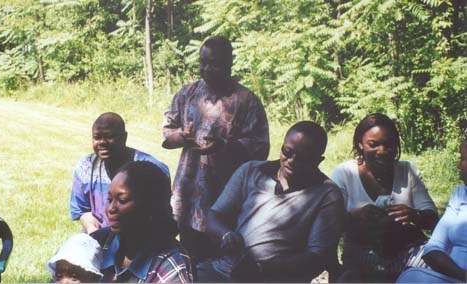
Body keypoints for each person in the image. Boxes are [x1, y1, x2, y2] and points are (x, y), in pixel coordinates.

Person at [162, 35, 270, 262]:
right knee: (189, 255)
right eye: (203, 63)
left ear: (229, 64)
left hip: (226, 192)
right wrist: (182, 136)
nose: (207, 69)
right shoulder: (188, 94)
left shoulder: (246, 100)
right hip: (189, 192)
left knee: (223, 258)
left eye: (215, 64)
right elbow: (167, 134)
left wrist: (225, 146)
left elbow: (261, 147)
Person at [197, 121, 345, 282]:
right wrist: (226, 235)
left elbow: (317, 257)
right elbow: (214, 215)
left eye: (302, 158)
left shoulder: (327, 194)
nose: (291, 160)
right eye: (287, 152)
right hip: (224, 269)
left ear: (318, 160)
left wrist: (263, 269)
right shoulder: (251, 171)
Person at [330, 113, 439, 282]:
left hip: (408, 252)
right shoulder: (345, 173)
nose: (381, 151)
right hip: (362, 253)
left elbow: (432, 219)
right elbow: (329, 223)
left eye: (388, 145)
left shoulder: (407, 171)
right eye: (373, 145)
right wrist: (354, 216)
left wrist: (413, 215)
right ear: (360, 144)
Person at [90, 161, 193, 283]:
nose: (111, 209)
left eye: (122, 200)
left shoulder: (171, 266)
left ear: (150, 205)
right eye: (109, 199)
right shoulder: (98, 242)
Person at [71, 112, 169, 234]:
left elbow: (161, 214)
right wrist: (92, 228)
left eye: (109, 136)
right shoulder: (86, 166)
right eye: (97, 137)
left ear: (124, 137)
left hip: (141, 238)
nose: (102, 142)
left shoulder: (149, 169)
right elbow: (82, 209)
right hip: (98, 238)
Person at [396, 139, 467, 283]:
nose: (459, 165)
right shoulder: (460, 194)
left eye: (464, 159)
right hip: (452, 277)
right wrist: (462, 275)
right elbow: (432, 249)